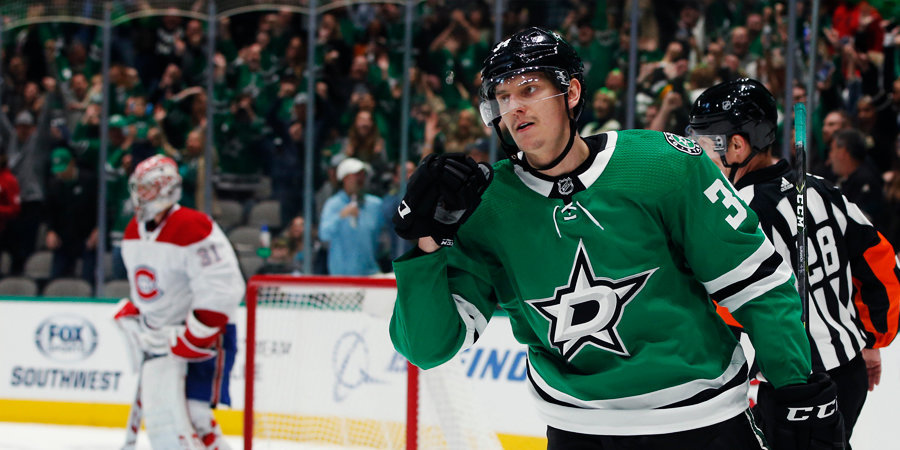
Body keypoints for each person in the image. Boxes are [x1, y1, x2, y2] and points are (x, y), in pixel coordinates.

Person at [389, 27, 841, 450]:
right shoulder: (485, 206)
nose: (514, 108)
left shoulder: (664, 163)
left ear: (571, 92)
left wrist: (794, 385)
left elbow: (757, 286)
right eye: (502, 97)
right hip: (577, 430)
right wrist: (425, 241)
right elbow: (427, 349)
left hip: (701, 420)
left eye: (528, 90)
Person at [688, 77, 900, 449]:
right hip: (849, 369)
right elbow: (880, 263)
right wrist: (872, 339)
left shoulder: (735, 212)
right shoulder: (824, 190)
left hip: (790, 382)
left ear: (737, 145)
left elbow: (725, 308)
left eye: (707, 144)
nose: (702, 154)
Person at [113, 155, 244, 449]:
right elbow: (150, 287)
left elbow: (223, 288)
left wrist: (196, 335)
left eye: (147, 188)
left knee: (196, 415)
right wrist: (139, 312)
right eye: (138, 188)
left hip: (207, 337)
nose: (140, 195)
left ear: (166, 189)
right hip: (164, 340)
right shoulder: (133, 231)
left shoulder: (194, 226)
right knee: (165, 421)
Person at [319, 157, 385, 275]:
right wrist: (341, 216)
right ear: (345, 178)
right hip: (342, 276)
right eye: (356, 175)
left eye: (363, 174)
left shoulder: (375, 205)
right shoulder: (333, 204)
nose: (360, 178)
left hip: (370, 273)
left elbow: (385, 235)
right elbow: (324, 234)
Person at [44, 147, 98, 282]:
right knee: (55, 279)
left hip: (86, 237)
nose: (60, 173)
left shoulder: (89, 180)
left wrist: (97, 229)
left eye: (63, 169)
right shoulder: (54, 184)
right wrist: (50, 231)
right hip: (63, 238)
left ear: (72, 163)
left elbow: (100, 208)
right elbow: (49, 211)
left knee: (87, 278)